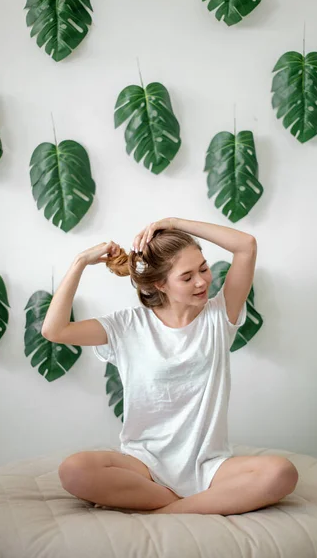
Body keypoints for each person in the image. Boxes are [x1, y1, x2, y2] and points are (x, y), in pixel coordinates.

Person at [41, 217, 298, 515]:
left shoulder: (219, 316)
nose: (202, 281)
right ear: (160, 284)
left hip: (210, 466)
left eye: (203, 268)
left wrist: (175, 223)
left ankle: (166, 511)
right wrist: (80, 263)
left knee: (282, 473)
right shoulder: (126, 325)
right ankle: (193, 504)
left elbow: (246, 246)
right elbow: (54, 331)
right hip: (145, 466)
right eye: (187, 277)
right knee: (74, 470)